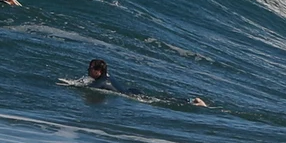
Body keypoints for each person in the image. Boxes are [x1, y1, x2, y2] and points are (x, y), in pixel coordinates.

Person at [72, 59, 209, 107]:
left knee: (161, 101)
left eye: (90, 68)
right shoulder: (107, 77)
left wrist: (71, 86)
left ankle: (192, 102)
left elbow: (88, 88)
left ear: (98, 71)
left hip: (132, 95)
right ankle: (190, 100)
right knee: (161, 99)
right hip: (132, 91)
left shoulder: (101, 81)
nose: (88, 70)